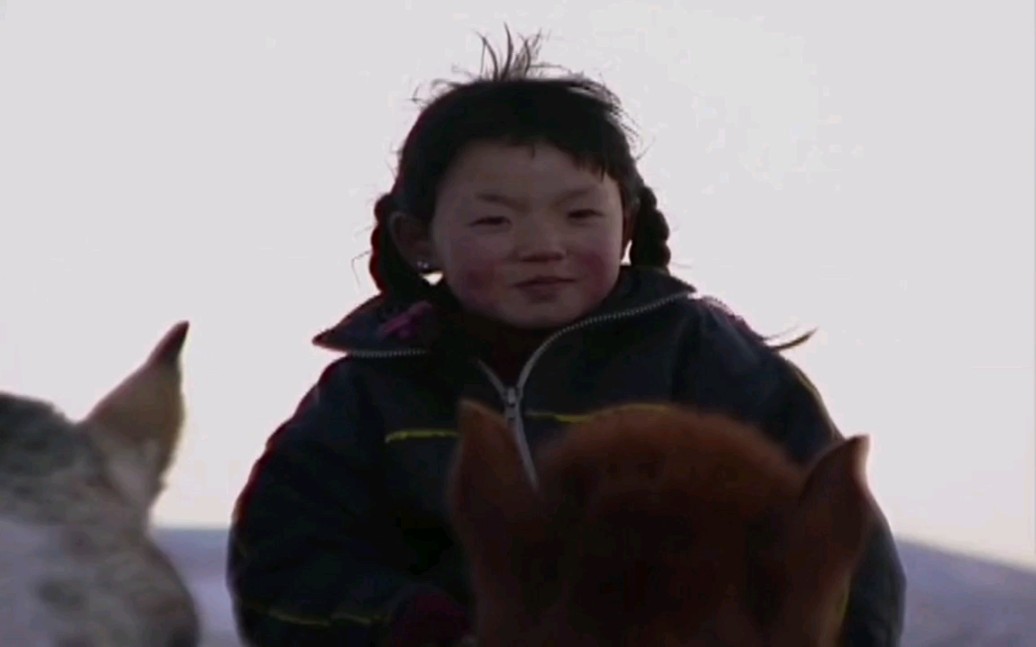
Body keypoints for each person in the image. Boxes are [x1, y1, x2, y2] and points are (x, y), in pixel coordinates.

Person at [227, 32, 906, 647]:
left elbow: (839, 545)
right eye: (495, 221)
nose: (542, 246)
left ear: (628, 220)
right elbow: (283, 561)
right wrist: (416, 625)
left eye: (579, 214)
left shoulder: (704, 360)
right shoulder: (374, 389)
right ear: (419, 238)